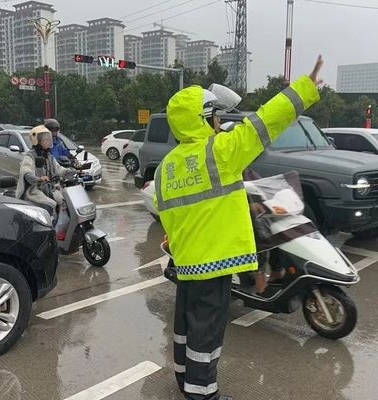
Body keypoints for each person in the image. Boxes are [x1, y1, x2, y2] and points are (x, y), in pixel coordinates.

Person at [156, 56, 323, 400]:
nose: (219, 121)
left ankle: (185, 379)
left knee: (186, 325)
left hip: (186, 261)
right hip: (214, 261)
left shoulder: (166, 168)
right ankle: (203, 393)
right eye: (215, 115)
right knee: (208, 329)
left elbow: (169, 215)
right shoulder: (220, 152)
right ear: (205, 118)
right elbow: (264, 123)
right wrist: (305, 88)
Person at [16, 125, 69, 216]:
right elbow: (26, 172)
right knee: (51, 205)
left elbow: (59, 169)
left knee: (65, 202)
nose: (48, 142)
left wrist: (73, 172)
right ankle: (48, 228)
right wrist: (38, 179)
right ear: (37, 141)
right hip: (33, 190)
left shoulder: (49, 156)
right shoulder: (30, 156)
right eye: (45, 140)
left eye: (49, 139)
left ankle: (63, 227)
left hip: (50, 188)